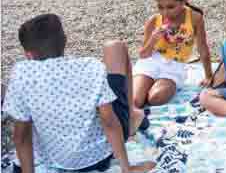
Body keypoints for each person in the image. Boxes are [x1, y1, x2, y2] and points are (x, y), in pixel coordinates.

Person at [4, 14, 154, 173]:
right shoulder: (90, 67)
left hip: (55, 160)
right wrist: (127, 168)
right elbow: (109, 121)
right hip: (99, 157)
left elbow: (21, 136)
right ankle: (131, 116)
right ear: (65, 41)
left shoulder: (21, 75)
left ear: (28, 54)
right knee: (115, 47)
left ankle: (133, 115)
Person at [133, 0, 213, 107]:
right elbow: (143, 55)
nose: (165, 12)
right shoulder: (154, 20)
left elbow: (203, 48)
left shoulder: (194, 18)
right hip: (151, 62)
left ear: (184, 0)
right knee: (135, 101)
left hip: (174, 66)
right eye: (160, 7)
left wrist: (209, 76)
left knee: (155, 98)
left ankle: (148, 88)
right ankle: (140, 89)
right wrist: (153, 39)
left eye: (170, 7)